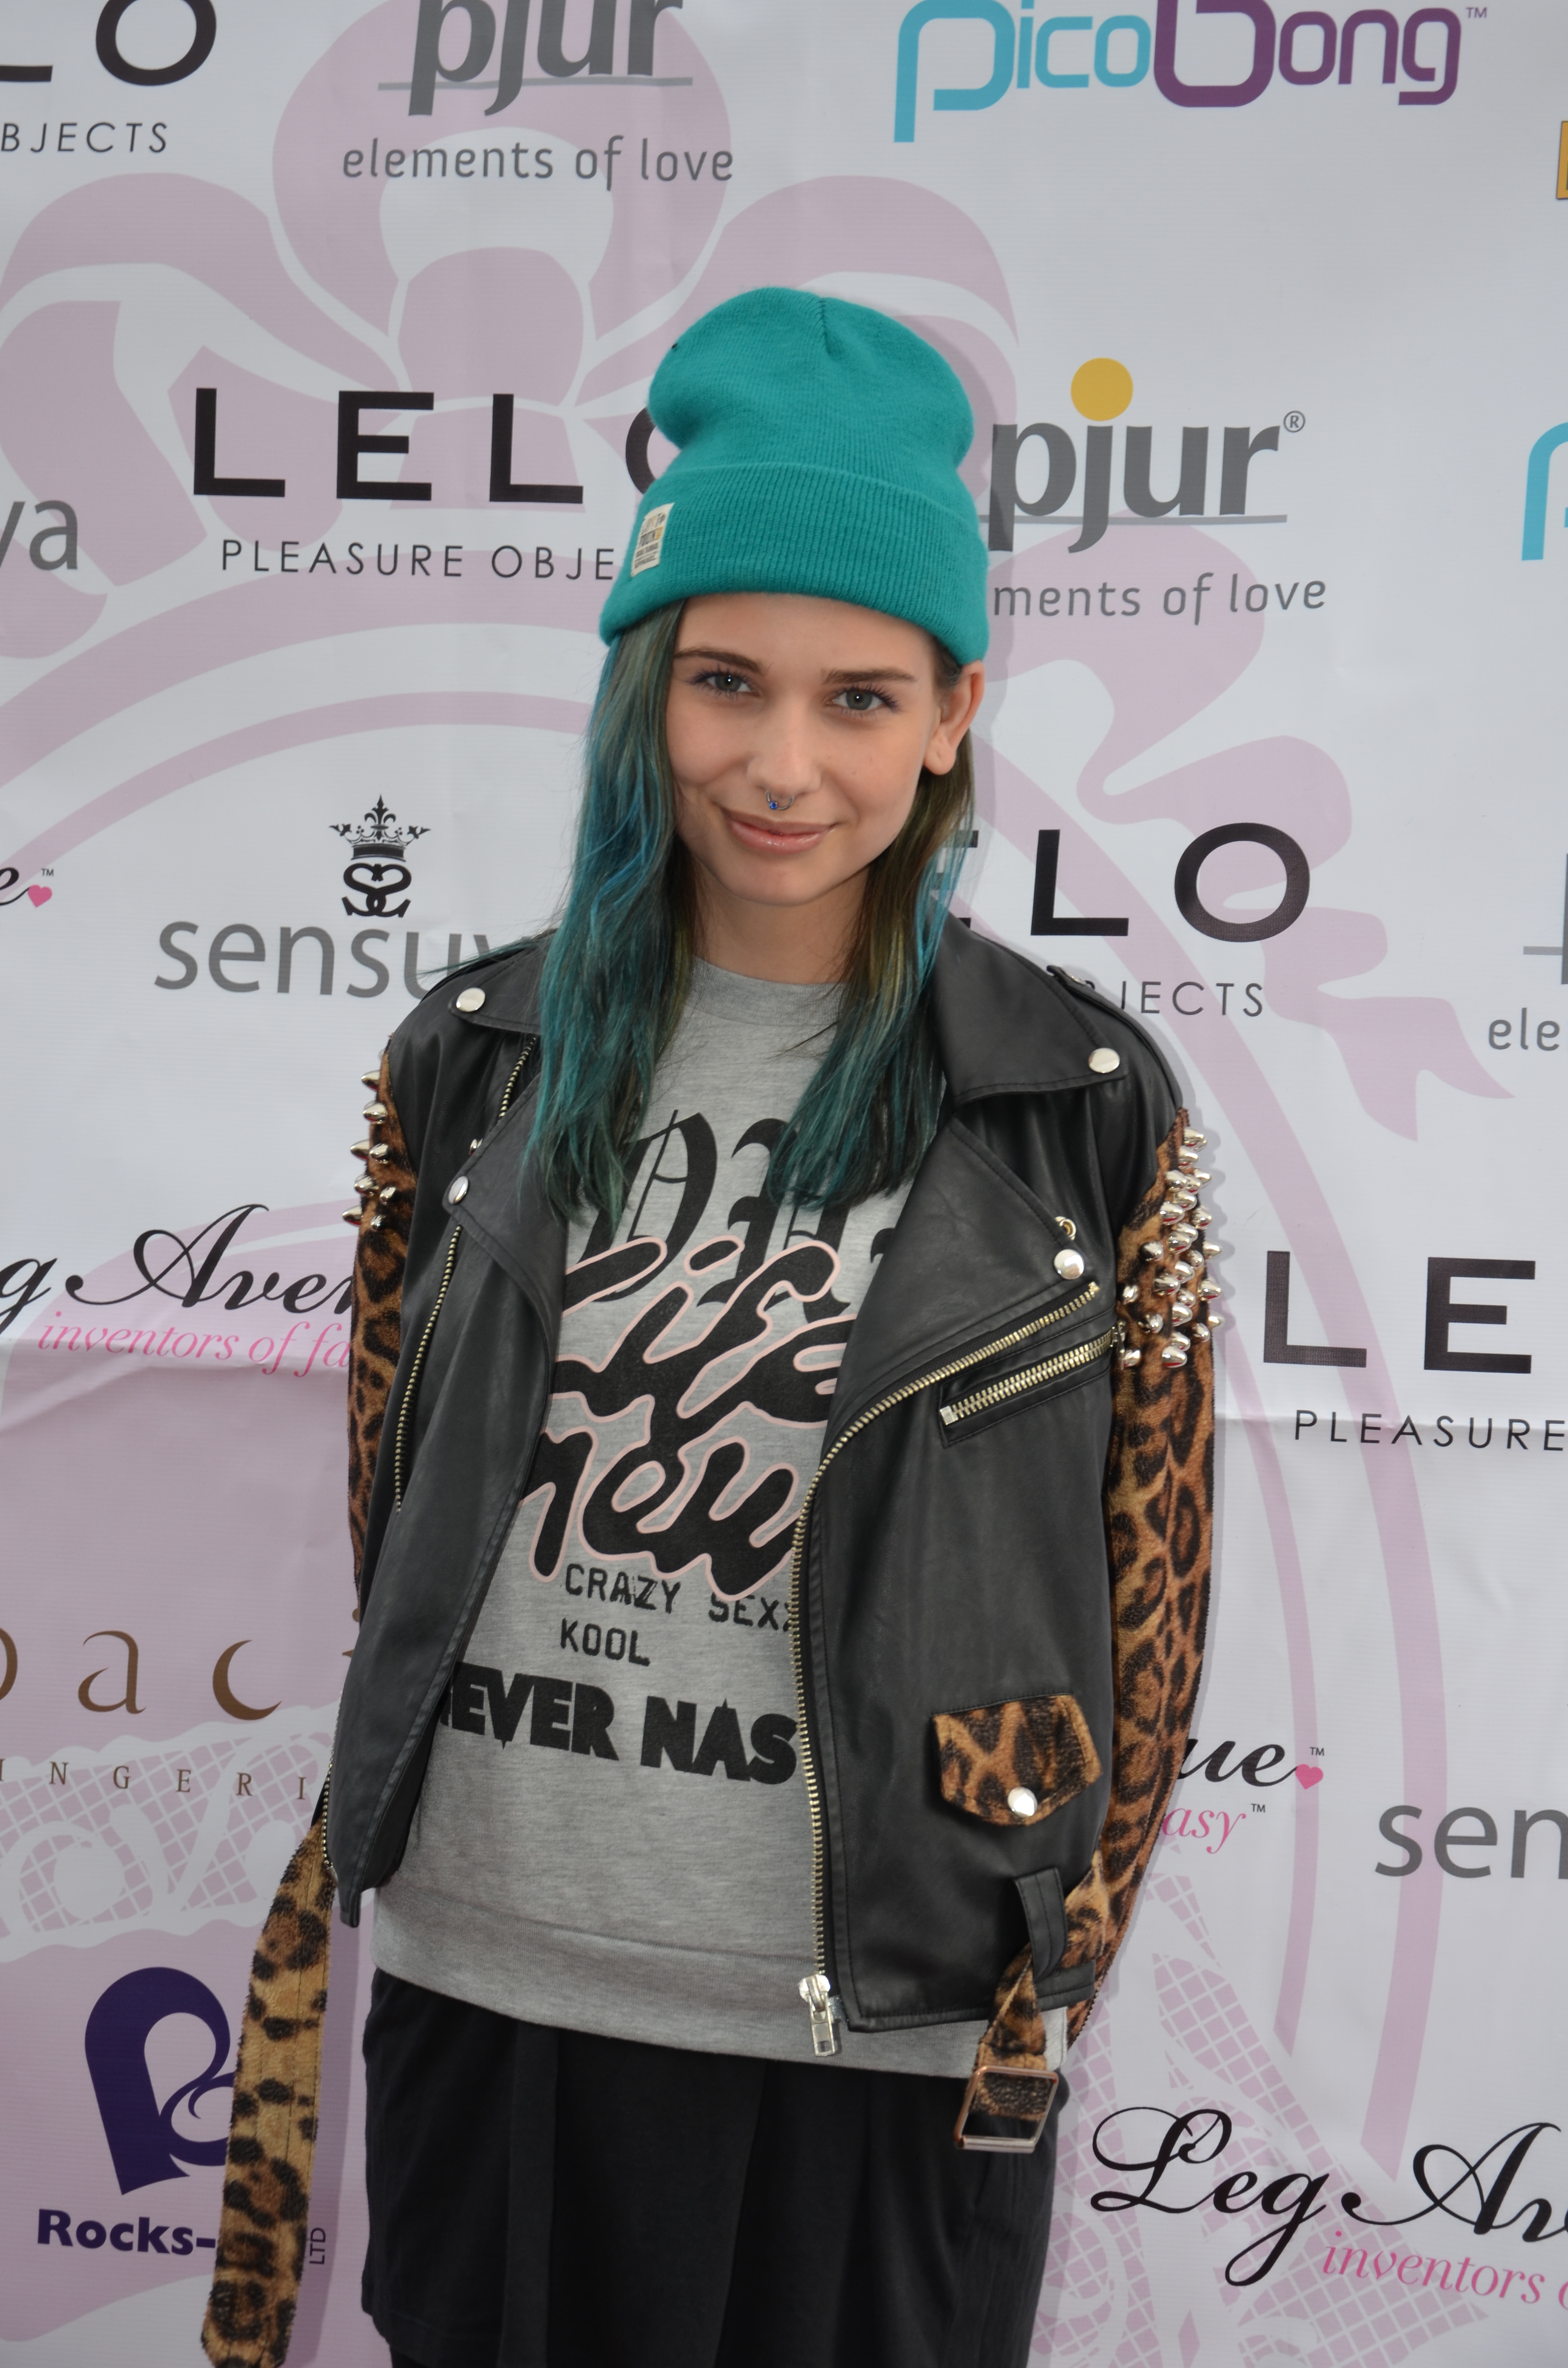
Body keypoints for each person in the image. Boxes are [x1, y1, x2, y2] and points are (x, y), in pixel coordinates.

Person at [203, 289, 1215, 2368]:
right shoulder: (472, 1061)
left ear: (952, 712)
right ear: (643, 687)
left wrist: (1038, 1959)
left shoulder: (1079, 1107)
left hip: (881, 2038)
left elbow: (1149, 1611)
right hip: (498, 1990)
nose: (782, 764)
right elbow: (401, 1500)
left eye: (861, 697)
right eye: (725, 681)